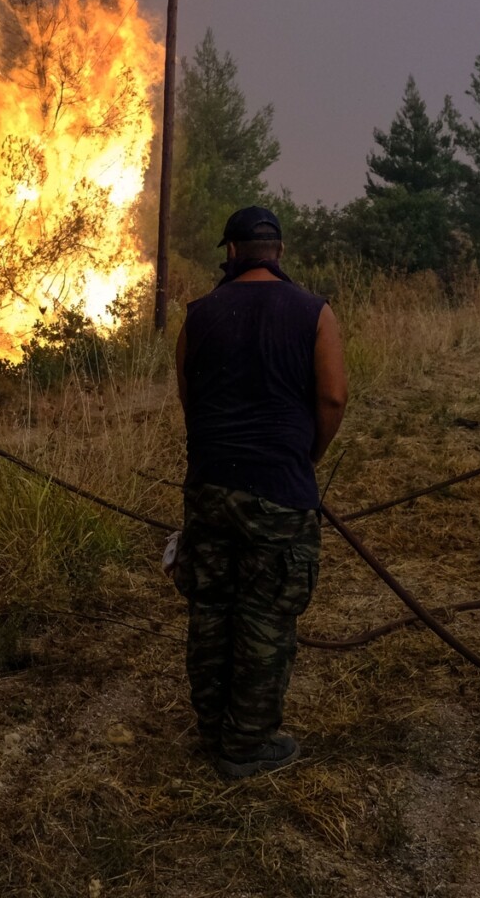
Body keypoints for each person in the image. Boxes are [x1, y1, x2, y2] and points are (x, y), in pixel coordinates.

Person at [171, 206, 347, 780]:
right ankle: (245, 746)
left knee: (211, 609)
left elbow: (188, 397)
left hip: (209, 486)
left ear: (230, 252)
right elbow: (333, 399)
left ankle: (209, 729)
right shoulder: (314, 312)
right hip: (279, 488)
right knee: (266, 617)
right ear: (280, 251)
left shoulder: (198, 316)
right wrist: (305, 460)